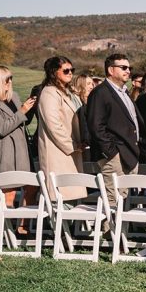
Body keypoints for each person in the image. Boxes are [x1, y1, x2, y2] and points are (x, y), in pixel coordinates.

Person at [0, 66, 37, 231]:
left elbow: (22, 122)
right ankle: (6, 230)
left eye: (11, 78)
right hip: (5, 149)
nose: (10, 82)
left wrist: (28, 110)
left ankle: (22, 227)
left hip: (23, 149)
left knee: (31, 187)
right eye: (6, 79)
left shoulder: (14, 97)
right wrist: (22, 111)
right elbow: (0, 129)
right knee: (9, 191)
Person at [86, 53, 141, 207]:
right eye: (123, 67)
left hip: (129, 153)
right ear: (111, 70)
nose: (128, 71)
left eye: (129, 68)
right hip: (114, 157)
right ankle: (108, 231)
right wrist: (111, 153)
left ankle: (120, 232)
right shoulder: (100, 93)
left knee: (124, 200)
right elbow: (96, 126)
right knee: (113, 201)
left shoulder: (124, 92)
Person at [36, 56, 86, 201]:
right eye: (65, 70)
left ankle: (69, 223)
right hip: (57, 152)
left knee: (72, 194)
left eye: (72, 70)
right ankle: (59, 224)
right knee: (61, 195)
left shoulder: (66, 92)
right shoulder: (49, 93)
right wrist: (72, 145)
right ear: (53, 72)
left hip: (70, 150)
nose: (70, 73)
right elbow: (53, 125)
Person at [69, 73, 96, 159]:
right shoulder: (74, 103)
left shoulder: (91, 102)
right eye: (88, 84)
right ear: (80, 86)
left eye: (92, 84)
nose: (92, 87)